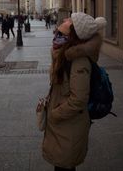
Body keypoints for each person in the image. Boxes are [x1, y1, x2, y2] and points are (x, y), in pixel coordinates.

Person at [42, 12, 107, 171]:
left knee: (65, 166)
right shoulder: (64, 54)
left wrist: (55, 114)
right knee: (62, 164)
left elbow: (78, 99)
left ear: (73, 34)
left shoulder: (79, 61)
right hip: (63, 125)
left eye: (70, 20)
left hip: (68, 125)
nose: (65, 19)